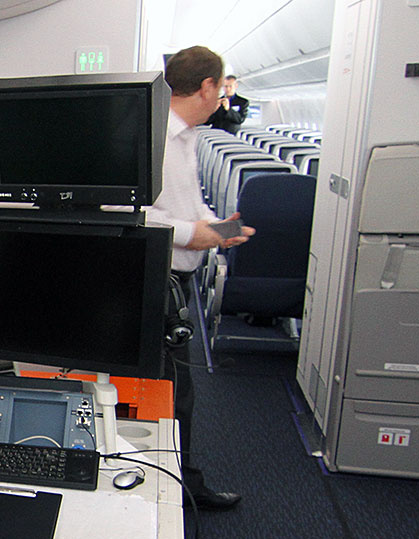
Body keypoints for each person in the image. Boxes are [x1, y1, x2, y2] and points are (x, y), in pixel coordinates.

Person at [146, 46, 254, 511]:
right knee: (173, 391)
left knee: (174, 390)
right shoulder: (155, 135)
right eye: (221, 86)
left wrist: (218, 228)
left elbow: (188, 207)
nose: (223, 96)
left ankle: (176, 483)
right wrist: (196, 235)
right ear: (207, 86)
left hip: (180, 281)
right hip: (159, 280)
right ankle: (180, 489)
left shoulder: (187, 137)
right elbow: (135, 214)